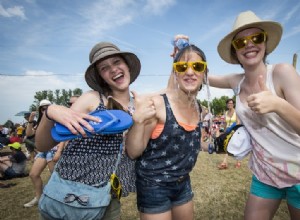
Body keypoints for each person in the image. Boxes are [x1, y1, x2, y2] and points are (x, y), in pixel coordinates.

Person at [208, 10, 300, 219]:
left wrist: (278, 104)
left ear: (265, 43)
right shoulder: (236, 81)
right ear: (235, 51)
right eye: (241, 42)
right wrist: (181, 54)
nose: (249, 44)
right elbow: (200, 75)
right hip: (265, 174)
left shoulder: (282, 72)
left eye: (256, 38)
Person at [35, 42, 140, 219]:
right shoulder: (91, 99)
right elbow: (42, 144)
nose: (113, 69)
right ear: (100, 76)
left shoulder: (139, 104)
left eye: (116, 62)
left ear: (127, 66)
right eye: (104, 68)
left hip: (109, 196)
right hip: (71, 195)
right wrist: (50, 112)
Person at [126, 44, 207, 220]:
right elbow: (133, 152)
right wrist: (138, 122)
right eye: (182, 67)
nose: (190, 72)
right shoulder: (158, 105)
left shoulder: (199, 108)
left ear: (205, 73)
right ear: (175, 73)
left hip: (183, 182)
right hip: (153, 185)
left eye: (198, 66)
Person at [23, 99, 58, 208]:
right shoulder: (39, 122)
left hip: (53, 150)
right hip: (43, 151)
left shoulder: (57, 120)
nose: (45, 110)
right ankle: (39, 197)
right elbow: (29, 134)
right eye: (43, 108)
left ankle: (57, 199)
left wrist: (60, 150)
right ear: (40, 110)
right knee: (33, 174)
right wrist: (30, 120)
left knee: (55, 177)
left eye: (47, 107)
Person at [217, 98, 241, 169]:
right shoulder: (226, 113)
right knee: (228, 146)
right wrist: (224, 131)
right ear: (227, 104)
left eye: (231, 103)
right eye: (228, 103)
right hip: (227, 131)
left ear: (233, 104)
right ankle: (231, 162)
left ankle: (228, 162)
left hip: (235, 131)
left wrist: (233, 128)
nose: (230, 104)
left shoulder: (236, 112)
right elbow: (225, 123)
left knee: (234, 146)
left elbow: (238, 122)